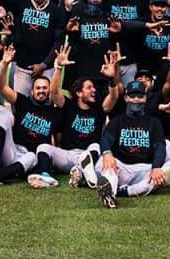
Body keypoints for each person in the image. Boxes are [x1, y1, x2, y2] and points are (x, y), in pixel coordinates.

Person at [0, 44, 60, 190]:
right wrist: (4, 64)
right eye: (38, 88)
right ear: (31, 91)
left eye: (44, 88)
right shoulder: (23, 102)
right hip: (12, 150)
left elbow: (57, 142)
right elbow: (0, 87)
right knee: (4, 115)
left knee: (31, 156)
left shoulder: (54, 112)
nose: (41, 91)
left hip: (31, 158)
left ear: (49, 91)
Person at [38, 44, 120, 186]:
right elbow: (54, 92)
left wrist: (112, 79)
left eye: (94, 87)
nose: (94, 90)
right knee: (43, 148)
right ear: (79, 93)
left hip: (90, 155)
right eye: (89, 88)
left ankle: (84, 173)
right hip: (68, 155)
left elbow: (113, 98)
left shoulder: (99, 108)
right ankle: (46, 177)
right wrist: (58, 67)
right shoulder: (69, 106)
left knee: (95, 145)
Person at [95, 79, 170, 208]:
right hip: (121, 167)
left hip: (145, 170)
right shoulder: (117, 120)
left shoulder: (154, 122)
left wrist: (156, 167)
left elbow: (160, 146)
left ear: (145, 98)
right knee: (105, 162)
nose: (136, 99)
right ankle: (109, 193)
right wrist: (107, 154)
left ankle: (126, 191)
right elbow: (106, 138)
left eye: (140, 96)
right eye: (132, 96)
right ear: (126, 98)